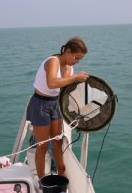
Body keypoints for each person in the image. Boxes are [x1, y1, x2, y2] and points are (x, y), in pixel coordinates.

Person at [26, 37, 89, 179]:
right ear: (67, 51)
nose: (76, 62)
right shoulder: (52, 61)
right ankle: (42, 180)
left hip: (55, 104)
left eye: (79, 60)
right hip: (40, 104)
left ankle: (62, 173)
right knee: (42, 146)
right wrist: (75, 78)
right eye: (75, 57)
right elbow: (52, 83)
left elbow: (64, 90)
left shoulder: (70, 68)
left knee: (57, 141)